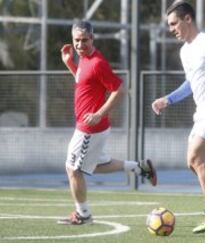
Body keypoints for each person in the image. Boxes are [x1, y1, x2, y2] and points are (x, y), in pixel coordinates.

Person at [151, 0, 205, 234]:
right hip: (202, 113)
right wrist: (167, 99)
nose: (171, 29)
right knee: (192, 163)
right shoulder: (185, 51)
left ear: (187, 19)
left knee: (196, 159)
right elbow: (191, 83)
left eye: (174, 23)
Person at [58, 20, 157, 225]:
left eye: (85, 40)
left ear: (92, 39)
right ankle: (140, 168)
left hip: (90, 128)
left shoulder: (97, 63)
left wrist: (99, 113)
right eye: (77, 40)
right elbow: (83, 79)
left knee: (73, 169)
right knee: (96, 165)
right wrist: (69, 62)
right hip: (89, 127)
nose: (80, 44)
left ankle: (83, 214)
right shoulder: (84, 60)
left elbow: (119, 90)